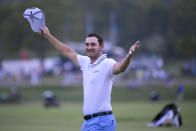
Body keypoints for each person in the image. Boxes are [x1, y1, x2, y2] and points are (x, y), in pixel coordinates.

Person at [40, 27, 140, 131]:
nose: (89, 47)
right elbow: (66, 51)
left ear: (102, 46)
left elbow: (120, 68)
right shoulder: (85, 62)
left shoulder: (107, 63)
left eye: (93, 44)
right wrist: (48, 35)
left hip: (102, 122)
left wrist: (129, 55)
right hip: (88, 123)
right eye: (87, 44)